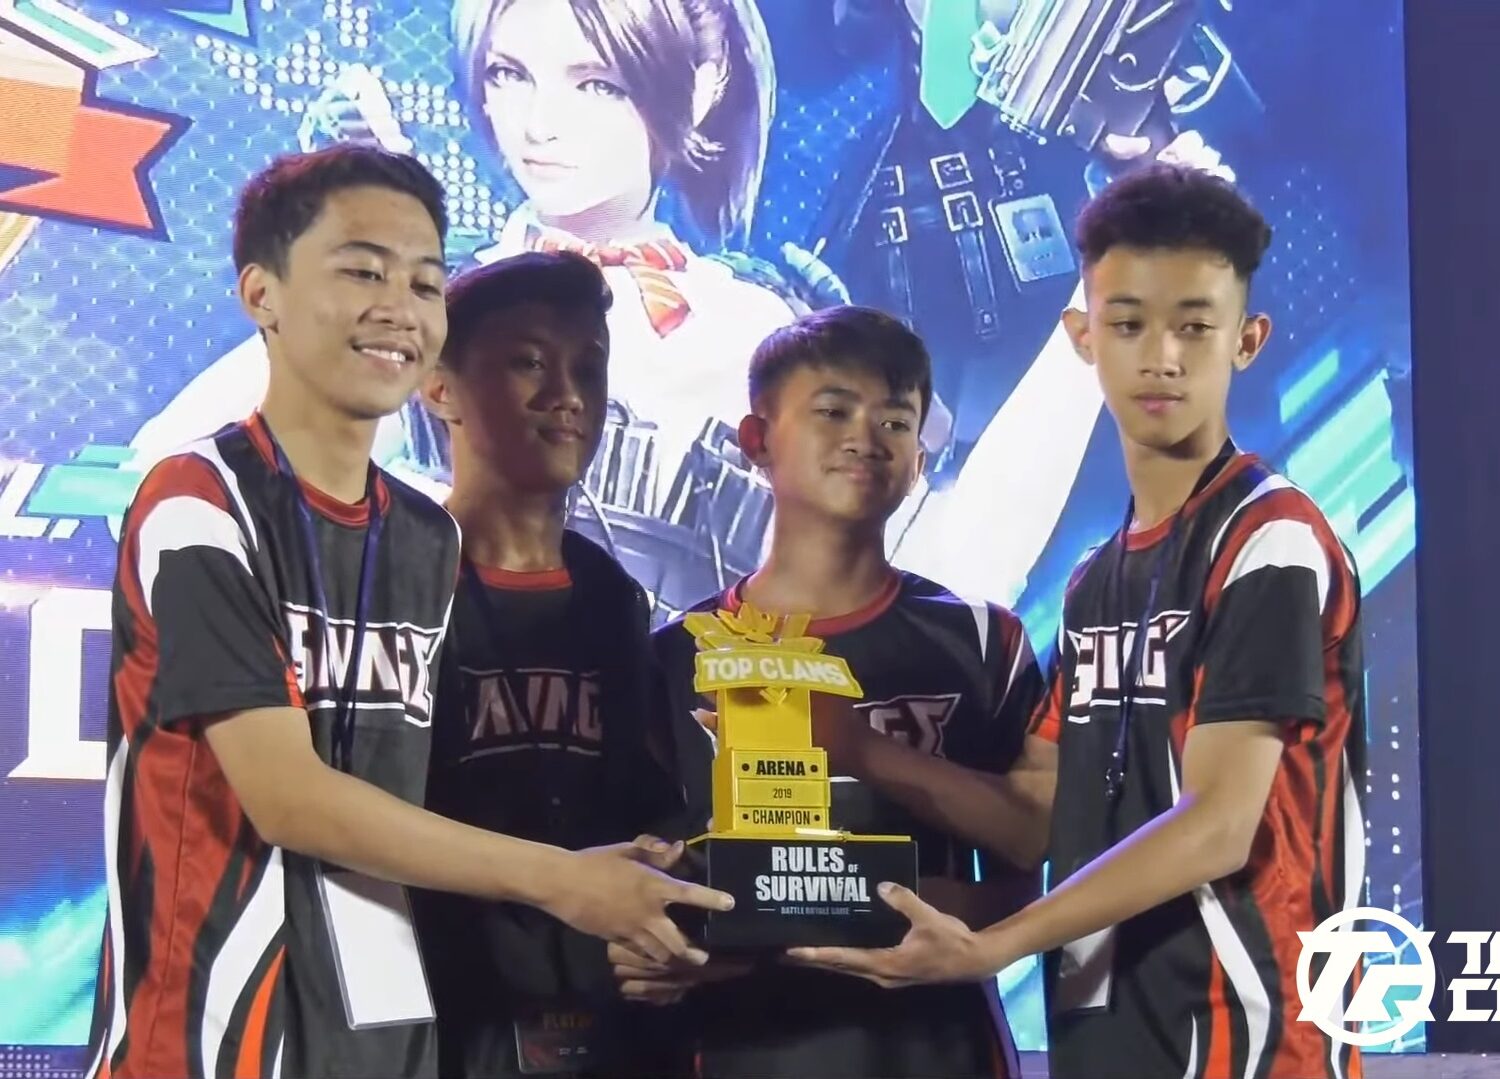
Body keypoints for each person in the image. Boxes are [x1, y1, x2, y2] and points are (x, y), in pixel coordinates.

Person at [86, 144, 731, 1079]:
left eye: (425, 282)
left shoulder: (427, 543)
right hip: (211, 1032)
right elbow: (290, 797)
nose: (399, 306)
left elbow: (416, 807)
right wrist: (564, 881)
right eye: (362, 271)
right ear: (262, 293)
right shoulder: (198, 499)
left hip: (390, 1037)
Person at [787, 165, 1368, 1079]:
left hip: (1245, 1039)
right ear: (1082, 336)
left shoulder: (1272, 541)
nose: (1161, 357)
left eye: (1194, 325)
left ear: (1247, 340)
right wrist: (857, 752)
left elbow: (1219, 823)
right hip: (1103, 1039)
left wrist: (993, 945)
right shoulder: (1097, 581)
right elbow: (1034, 817)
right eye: (1129, 324)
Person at [632, 305, 1045, 1078]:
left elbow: (1029, 851)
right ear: (757, 439)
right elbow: (647, 880)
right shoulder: (673, 655)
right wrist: (676, 945)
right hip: (740, 1051)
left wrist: (857, 746)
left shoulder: (983, 638)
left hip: (939, 1050)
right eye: (833, 411)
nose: (866, 438)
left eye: (895, 420)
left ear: (919, 457)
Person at [414, 250, 692, 1077]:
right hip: (440, 1024)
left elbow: (638, 808)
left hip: (607, 1029)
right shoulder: (393, 579)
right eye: (529, 363)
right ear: (439, 386)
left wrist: (673, 920)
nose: (568, 395)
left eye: (588, 368)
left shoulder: (613, 597)